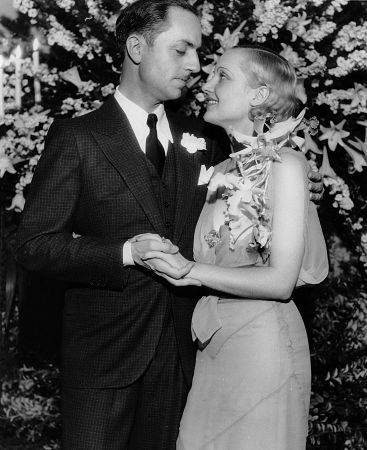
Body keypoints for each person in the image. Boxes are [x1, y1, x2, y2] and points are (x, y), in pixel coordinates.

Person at [15, 0, 323, 447]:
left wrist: (301, 193)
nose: (196, 66)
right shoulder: (78, 138)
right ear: (136, 48)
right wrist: (124, 253)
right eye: (182, 51)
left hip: (190, 356)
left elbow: (260, 192)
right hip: (104, 359)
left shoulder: (211, 138)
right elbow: (35, 245)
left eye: (199, 53)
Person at [137, 46, 329, 450]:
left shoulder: (288, 165)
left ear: (258, 95)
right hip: (211, 345)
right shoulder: (221, 170)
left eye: (221, 76)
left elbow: (280, 282)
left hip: (262, 347)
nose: (205, 84)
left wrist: (187, 270)